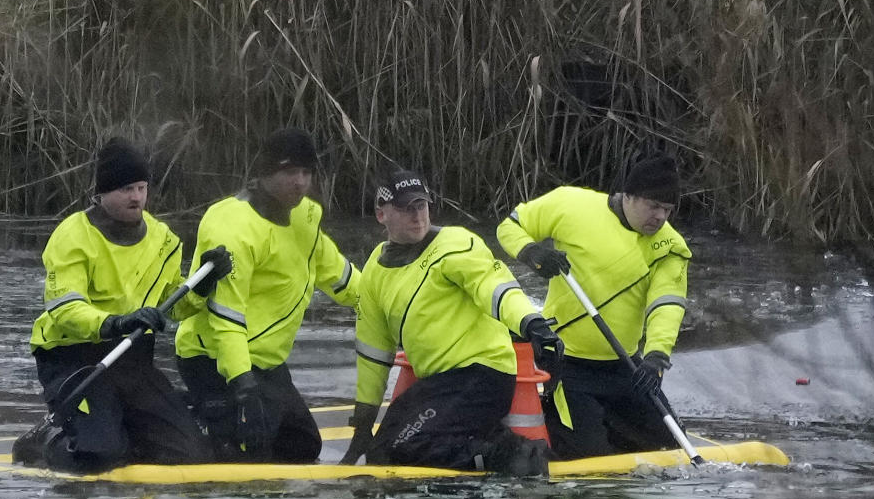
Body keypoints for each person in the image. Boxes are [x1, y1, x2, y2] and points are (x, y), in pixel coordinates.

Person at [14, 137, 231, 472]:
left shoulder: (164, 240)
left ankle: (124, 426)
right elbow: (65, 311)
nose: (136, 197)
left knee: (191, 454)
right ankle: (44, 438)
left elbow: (173, 308)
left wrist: (202, 286)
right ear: (100, 195)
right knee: (98, 456)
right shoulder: (71, 237)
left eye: (142, 188)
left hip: (132, 358)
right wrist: (116, 322)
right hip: (74, 358)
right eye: (126, 189)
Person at [340, 170, 564, 476]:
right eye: (406, 208)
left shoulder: (456, 244)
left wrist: (532, 324)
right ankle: (484, 446)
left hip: (481, 374)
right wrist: (362, 426)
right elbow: (373, 355)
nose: (417, 216)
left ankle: (512, 453)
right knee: (379, 454)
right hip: (437, 383)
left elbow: (494, 288)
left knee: (401, 448)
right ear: (382, 214)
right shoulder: (375, 271)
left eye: (421, 205)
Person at [175, 128, 363, 462]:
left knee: (302, 446)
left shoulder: (305, 217)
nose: (300, 183)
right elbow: (226, 318)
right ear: (264, 174)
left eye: (307, 173)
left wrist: (388, 302)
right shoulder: (232, 228)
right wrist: (244, 388)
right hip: (215, 359)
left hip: (267, 360)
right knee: (248, 451)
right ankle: (194, 417)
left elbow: (338, 275)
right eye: (290, 172)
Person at [496, 153, 691, 458]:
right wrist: (533, 254)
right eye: (653, 206)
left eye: (667, 210)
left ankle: (612, 424)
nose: (661, 218)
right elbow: (509, 227)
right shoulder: (571, 205)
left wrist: (656, 357)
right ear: (628, 196)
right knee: (588, 456)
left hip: (626, 366)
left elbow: (666, 304)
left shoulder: (670, 247)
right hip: (567, 363)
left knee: (670, 449)